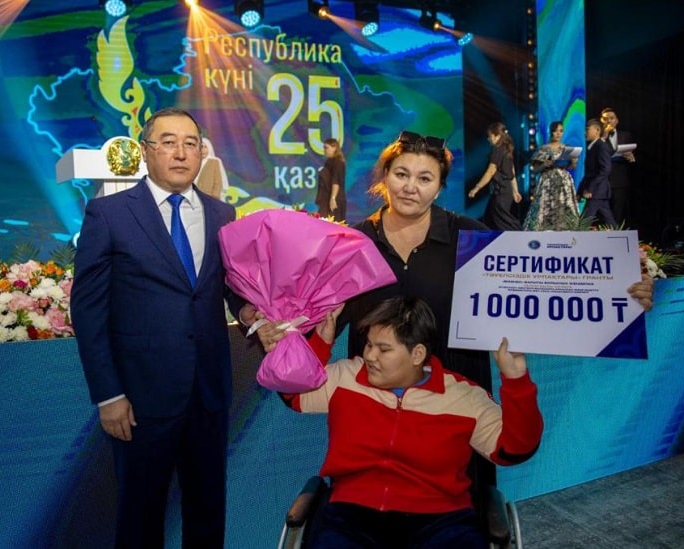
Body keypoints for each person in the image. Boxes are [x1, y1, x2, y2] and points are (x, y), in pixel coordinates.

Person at [254, 129, 656, 390]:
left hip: (460, 412)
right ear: (384, 177)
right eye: (401, 174)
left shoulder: (473, 239)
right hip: (372, 414)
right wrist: (273, 326)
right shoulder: (351, 245)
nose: (410, 187)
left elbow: (544, 293)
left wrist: (618, 290)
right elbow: (321, 324)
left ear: (440, 187)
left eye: (425, 178)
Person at [71, 107, 260, 548]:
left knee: (207, 513)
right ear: (145, 151)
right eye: (168, 142)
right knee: (140, 518)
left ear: (202, 154)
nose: (180, 153)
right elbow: (88, 310)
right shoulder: (109, 214)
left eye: (190, 144)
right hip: (139, 399)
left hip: (209, 393)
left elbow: (227, 286)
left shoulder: (222, 213)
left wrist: (250, 311)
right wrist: (108, 395)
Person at [279, 297, 544, 548]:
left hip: (441, 520)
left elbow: (514, 449)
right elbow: (294, 394)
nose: (370, 355)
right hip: (351, 516)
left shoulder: (464, 397)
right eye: (369, 344)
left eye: (384, 349)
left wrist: (516, 380)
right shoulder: (345, 377)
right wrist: (320, 344)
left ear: (417, 354)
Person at [523, 121, 581, 230]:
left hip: (564, 181)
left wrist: (573, 162)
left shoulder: (567, 148)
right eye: (556, 131)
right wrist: (544, 164)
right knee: (546, 206)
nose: (558, 134)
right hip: (548, 181)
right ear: (551, 132)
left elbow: (572, 167)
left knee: (563, 205)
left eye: (561, 131)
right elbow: (535, 169)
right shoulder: (543, 149)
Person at [468, 122, 522, 231]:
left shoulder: (498, 149)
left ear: (497, 136)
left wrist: (476, 188)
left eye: (490, 136)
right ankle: (493, 240)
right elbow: (512, 173)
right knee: (489, 218)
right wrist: (515, 191)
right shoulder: (506, 150)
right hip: (504, 190)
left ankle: (520, 235)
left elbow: (491, 171)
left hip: (501, 190)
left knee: (503, 219)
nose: (488, 139)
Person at [600, 108, 636, 226]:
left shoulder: (625, 135)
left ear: (617, 120)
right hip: (603, 180)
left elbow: (633, 158)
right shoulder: (597, 137)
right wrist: (603, 136)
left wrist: (631, 158)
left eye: (611, 118)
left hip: (620, 180)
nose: (609, 121)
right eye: (605, 119)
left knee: (618, 211)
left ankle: (616, 234)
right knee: (603, 212)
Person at [578, 118, 616, 227]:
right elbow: (589, 174)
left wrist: (591, 188)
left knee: (583, 224)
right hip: (598, 192)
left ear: (597, 130)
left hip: (597, 191)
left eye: (588, 129)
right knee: (610, 221)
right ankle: (619, 235)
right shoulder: (592, 147)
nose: (585, 132)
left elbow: (606, 169)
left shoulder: (601, 146)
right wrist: (580, 191)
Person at [315, 137, 347, 222]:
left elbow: (336, 182)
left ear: (334, 147)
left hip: (334, 199)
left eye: (326, 148)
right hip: (326, 198)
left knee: (333, 223)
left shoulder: (338, 163)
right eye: (324, 148)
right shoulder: (329, 162)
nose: (324, 150)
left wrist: (333, 198)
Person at [194, 136, 230, 201]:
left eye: (205, 147)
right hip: (195, 196)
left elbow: (218, 182)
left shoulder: (215, 161)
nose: (203, 150)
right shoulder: (194, 162)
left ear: (209, 148)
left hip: (210, 197)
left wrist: (215, 198)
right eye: (201, 147)